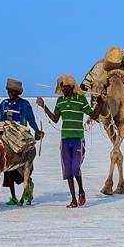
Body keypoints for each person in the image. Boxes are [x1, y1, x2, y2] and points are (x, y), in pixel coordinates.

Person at [36, 74, 100, 208]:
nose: (62, 89)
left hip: (77, 139)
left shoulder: (81, 100)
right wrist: (43, 106)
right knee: (68, 171)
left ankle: (81, 191)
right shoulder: (60, 101)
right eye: (61, 87)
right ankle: (73, 199)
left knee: (75, 168)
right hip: (65, 140)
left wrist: (100, 104)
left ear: (71, 87)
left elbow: (92, 115)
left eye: (64, 86)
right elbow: (55, 119)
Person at [0, 78, 44, 205]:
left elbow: (31, 121)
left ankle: (27, 187)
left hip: (18, 134)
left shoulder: (25, 104)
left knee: (20, 168)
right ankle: (13, 197)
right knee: (6, 170)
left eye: (12, 91)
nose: (10, 94)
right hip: (3, 132)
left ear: (17, 92)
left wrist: (37, 131)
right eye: (8, 91)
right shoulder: (4, 103)